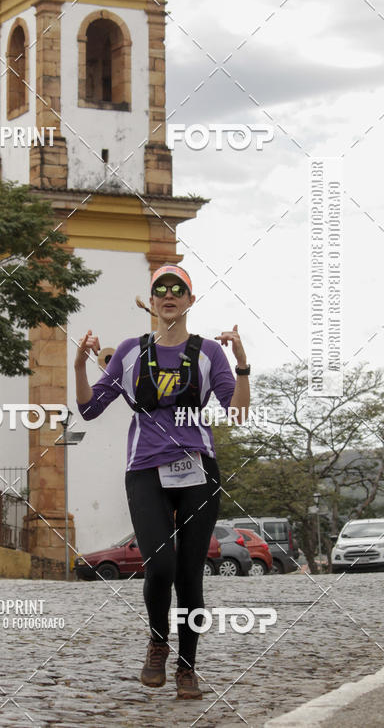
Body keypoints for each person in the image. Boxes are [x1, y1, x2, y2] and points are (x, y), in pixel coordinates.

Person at [74, 263, 250, 699]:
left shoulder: (208, 353)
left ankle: (187, 668)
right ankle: (157, 643)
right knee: (160, 565)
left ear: (190, 300)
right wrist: (79, 366)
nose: (169, 295)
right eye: (161, 289)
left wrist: (242, 366)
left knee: (190, 575)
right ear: (151, 301)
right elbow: (90, 409)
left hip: (198, 471)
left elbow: (238, 413)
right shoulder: (130, 352)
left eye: (178, 289)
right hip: (145, 470)